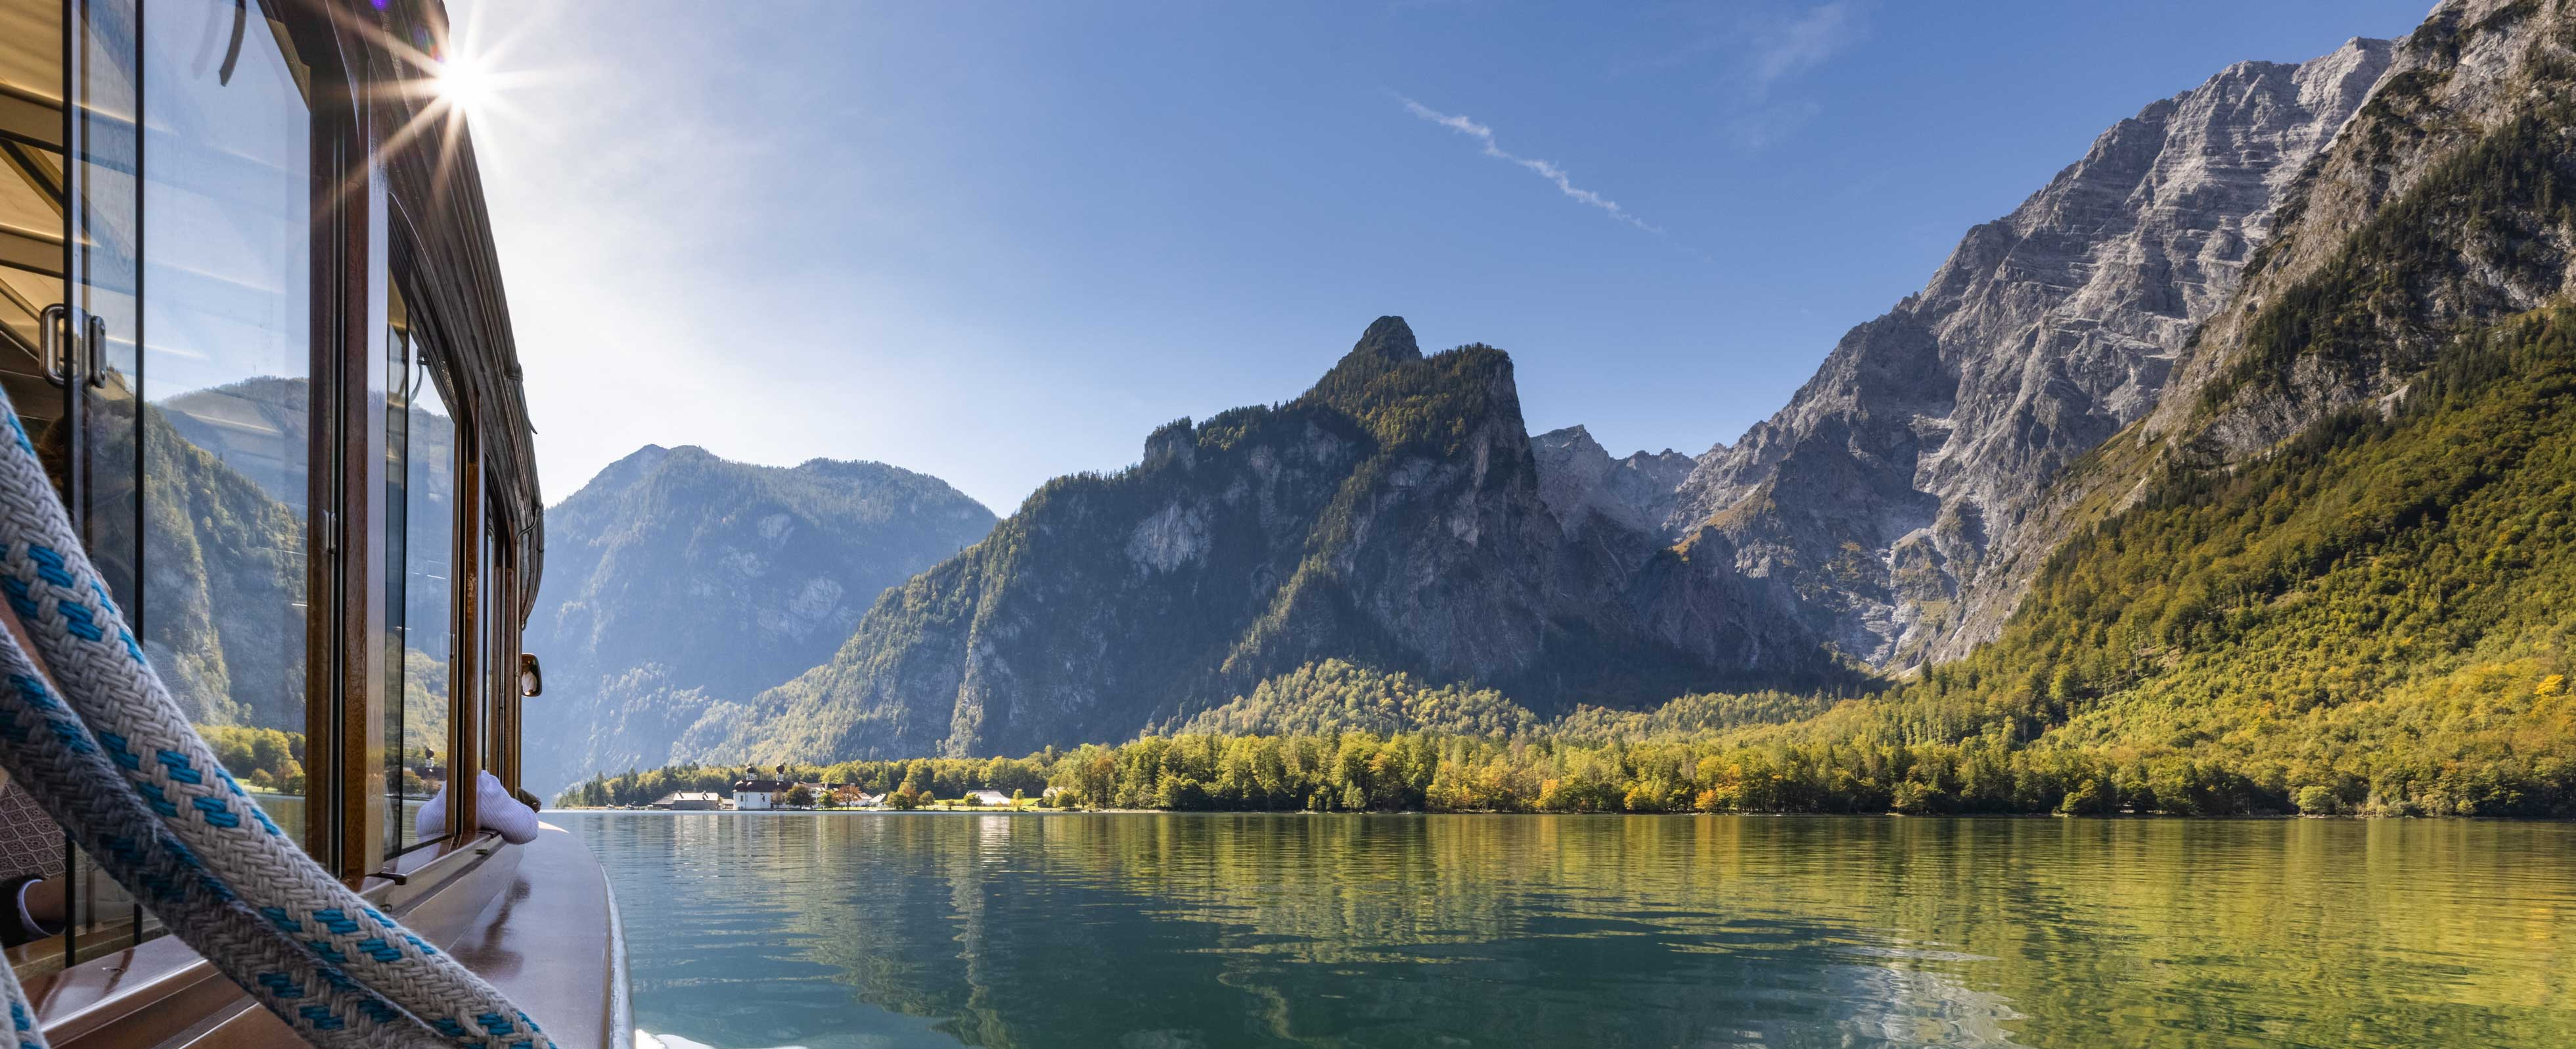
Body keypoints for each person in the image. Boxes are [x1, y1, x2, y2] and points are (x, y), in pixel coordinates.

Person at [414, 769, 541, 845]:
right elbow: (525, 832)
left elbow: (423, 824)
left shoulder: (452, 785)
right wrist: (518, 804)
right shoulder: (482, 785)